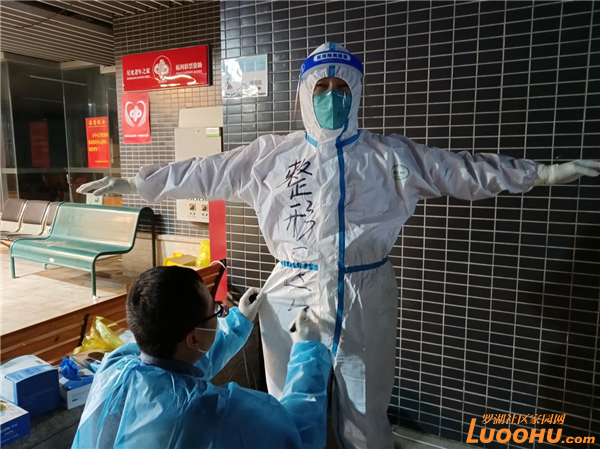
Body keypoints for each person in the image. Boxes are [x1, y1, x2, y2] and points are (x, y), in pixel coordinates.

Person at [78, 42, 600, 449]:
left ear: (356, 91)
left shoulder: (389, 156)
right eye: (321, 86)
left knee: (365, 403)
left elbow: (460, 170)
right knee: (285, 398)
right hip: (289, 287)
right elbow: (203, 171)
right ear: (305, 93)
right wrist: (137, 183)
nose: (331, 96)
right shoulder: (270, 156)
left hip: (364, 290)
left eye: (342, 86)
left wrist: (540, 174)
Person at [71, 266, 330, 449]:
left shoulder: (116, 367)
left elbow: (180, 364)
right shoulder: (214, 411)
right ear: (194, 338)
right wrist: (307, 350)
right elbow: (297, 434)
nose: (220, 313)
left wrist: (238, 322)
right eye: (215, 310)